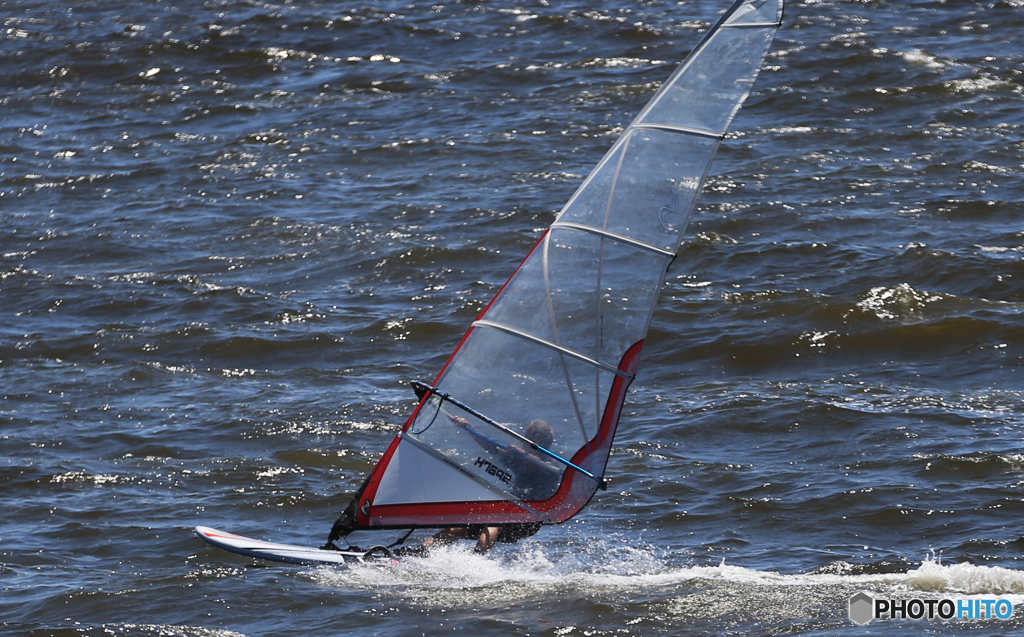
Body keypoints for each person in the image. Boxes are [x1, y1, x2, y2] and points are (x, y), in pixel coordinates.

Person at [399, 418, 561, 555]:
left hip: (528, 520)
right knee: (457, 528)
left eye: (527, 437)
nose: (522, 440)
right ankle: (420, 553)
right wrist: (468, 427)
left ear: (536, 442)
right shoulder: (519, 460)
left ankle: (475, 561)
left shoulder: (549, 466)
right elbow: (490, 445)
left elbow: (546, 469)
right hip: (508, 513)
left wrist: (523, 455)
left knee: (493, 523)